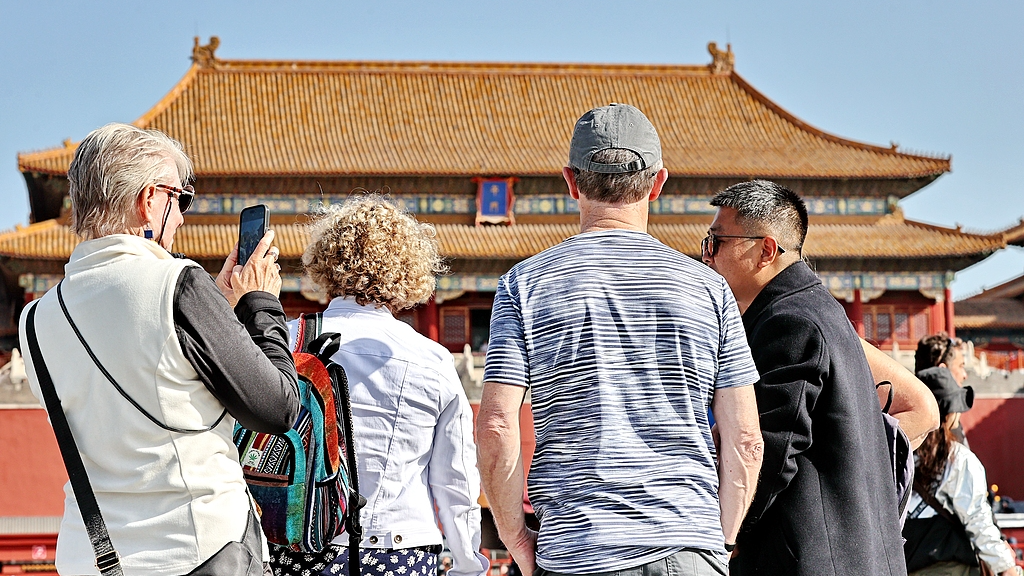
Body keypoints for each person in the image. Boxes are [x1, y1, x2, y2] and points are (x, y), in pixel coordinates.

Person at [478, 104, 765, 576]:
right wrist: (720, 539)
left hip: (576, 549)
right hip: (688, 547)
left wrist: (516, 539)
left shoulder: (523, 285)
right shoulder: (710, 289)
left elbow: (496, 427)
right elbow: (745, 439)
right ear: (658, 182)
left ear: (571, 181)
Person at [18, 123, 300, 575]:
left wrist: (217, 319)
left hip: (92, 556)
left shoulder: (34, 319)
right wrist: (261, 303)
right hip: (198, 548)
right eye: (180, 198)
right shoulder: (177, 283)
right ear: (150, 199)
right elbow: (277, 407)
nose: (183, 216)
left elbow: (138, 377)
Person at [269, 197, 489, 576]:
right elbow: (456, 480)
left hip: (296, 544)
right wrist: (468, 564)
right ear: (409, 271)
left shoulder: (285, 341)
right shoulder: (431, 358)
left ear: (326, 261)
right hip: (399, 550)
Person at [703, 179, 907, 575]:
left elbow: (769, 450)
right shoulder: (820, 309)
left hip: (808, 560)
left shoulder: (788, 322)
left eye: (716, 242)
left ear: (765, 249)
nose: (707, 257)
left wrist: (727, 536)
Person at [903, 367, 1019, 576]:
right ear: (949, 414)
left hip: (906, 566)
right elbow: (977, 519)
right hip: (950, 567)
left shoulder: (898, 457)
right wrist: (1005, 567)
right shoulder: (957, 459)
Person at [917, 333, 970, 445]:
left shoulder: (909, 419)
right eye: (961, 366)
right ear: (942, 371)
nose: (965, 375)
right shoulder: (949, 424)